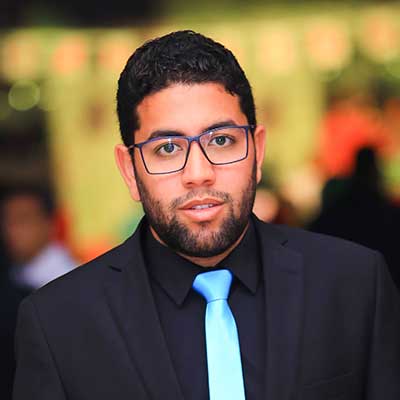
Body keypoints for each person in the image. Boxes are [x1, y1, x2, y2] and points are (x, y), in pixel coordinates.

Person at [13, 31, 400, 400]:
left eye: (221, 140)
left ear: (257, 152)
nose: (198, 173)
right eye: (167, 148)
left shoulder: (354, 286)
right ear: (130, 169)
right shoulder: (58, 324)